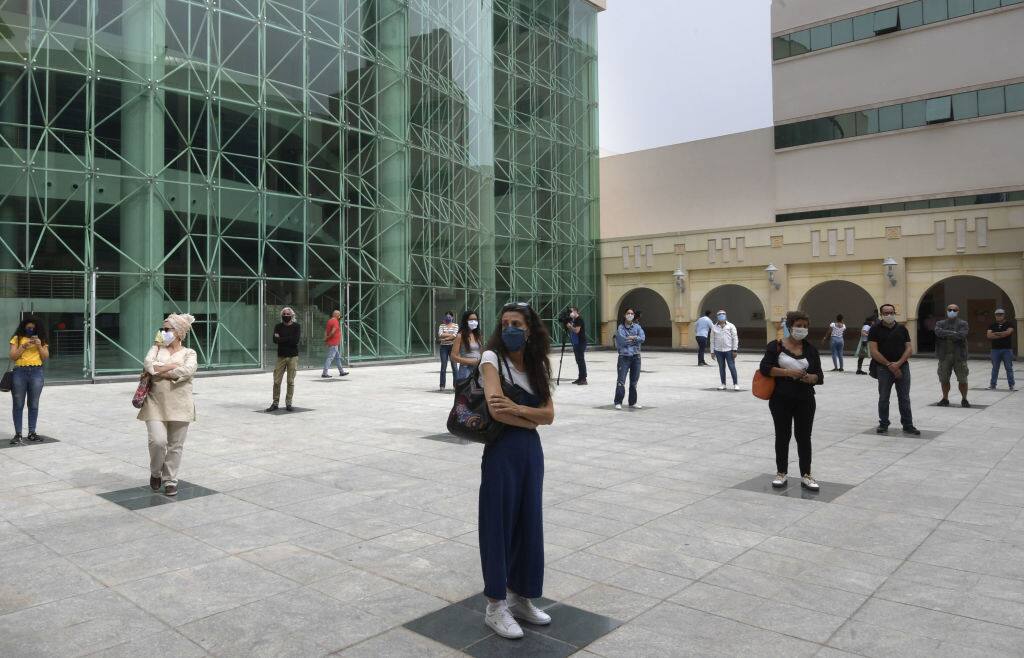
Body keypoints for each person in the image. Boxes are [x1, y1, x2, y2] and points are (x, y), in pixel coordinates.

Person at [478, 301, 555, 640]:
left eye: (517, 323)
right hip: (502, 451)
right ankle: (495, 605)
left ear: (529, 329)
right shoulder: (491, 358)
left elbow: (550, 414)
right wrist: (530, 415)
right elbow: (497, 412)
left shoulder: (537, 363)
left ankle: (520, 596)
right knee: (498, 523)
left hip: (530, 452)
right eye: (505, 321)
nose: (510, 327)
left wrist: (519, 409)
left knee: (528, 521)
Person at [759, 310, 824, 491]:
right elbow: (765, 368)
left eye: (804, 326)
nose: (801, 329)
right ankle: (781, 472)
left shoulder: (811, 349)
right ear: (790, 327)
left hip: (805, 399)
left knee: (804, 437)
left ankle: (806, 474)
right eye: (798, 325)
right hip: (780, 399)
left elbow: (820, 375)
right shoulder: (776, 346)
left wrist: (812, 378)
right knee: (782, 435)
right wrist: (788, 372)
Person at [139, 314, 198, 496]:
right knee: (157, 441)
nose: (163, 333)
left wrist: (161, 370)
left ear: (179, 333)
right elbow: (149, 365)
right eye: (162, 329)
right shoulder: (156, 349)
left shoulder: (190, 353)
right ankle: (156, 473)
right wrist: (170, 367)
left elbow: (187, 370)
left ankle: (170, 480)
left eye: (167, 330)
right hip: (155, 402)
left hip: (181, 403)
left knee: (175, 445)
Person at [869, 304, 920, 435]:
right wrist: (889, 365)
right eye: (885, 313)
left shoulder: (902, 328)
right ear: (881, 315)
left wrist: (898, 364)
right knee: (884, 397)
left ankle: (908, 424)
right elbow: (873, 351)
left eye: (891, 312)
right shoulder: (875, 329)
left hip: (902, 367)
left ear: (894, 313)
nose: (889, 315)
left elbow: (909, 348)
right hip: (883, 369)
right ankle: (883, 424)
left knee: (904, 397)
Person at [8, 317, 49, 446]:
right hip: (20, 372)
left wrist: (39, 345)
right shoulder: (17, 338)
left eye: (33, 328)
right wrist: (23, 346)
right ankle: (18, 434)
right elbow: (13, 356)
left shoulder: (41, 339)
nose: (30, 330)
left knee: (34, 404)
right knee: (18, 403)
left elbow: (45, 357)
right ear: (24, 326)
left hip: (37, 372)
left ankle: (32, 433)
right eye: (28, 327)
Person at [934, 303, 970, 407]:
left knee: (963, 379)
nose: (952, 312)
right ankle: (945, 398)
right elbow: (938, 332)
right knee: (944, 379)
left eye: (954, 310)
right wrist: (954, 333)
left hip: (959, 356)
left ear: (958, 311)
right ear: (947, 311)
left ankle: (964, 399)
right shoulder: (940, 323)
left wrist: (946, 334)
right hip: (944, 356)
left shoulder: (963, 323)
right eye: (950, 309)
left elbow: (962, 335)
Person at [268, 307, 300, 411]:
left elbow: (295, 341)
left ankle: (289, 403)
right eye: (284, 314)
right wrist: (288, 338)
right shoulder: (278, 326)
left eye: (288, 314)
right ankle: (275, 402)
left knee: (290, 381)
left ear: (292, 315)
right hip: (281, 356)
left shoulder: (296, 326)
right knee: (277, 381)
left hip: (292, 357)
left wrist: (281, 339)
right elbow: (274, 339)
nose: (286, 316)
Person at [613, 308, 646, 410]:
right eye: (628, 313)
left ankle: (633, 402)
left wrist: (633, 338)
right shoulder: (621, 328)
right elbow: (622, 341)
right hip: (624, 357)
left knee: (634, 382)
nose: (630, 315)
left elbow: (643, 338)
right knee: (621, 380)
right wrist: (635, 338)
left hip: (636, 357)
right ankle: (618, 402)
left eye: (632, 313)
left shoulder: (637, 327)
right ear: (624, 315)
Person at [710, 309, 739, 390]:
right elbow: (712, 340)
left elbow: (735, 338)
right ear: (717, 316)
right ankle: (723, 384)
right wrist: (712, 352)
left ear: (726, 316)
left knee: (732, 367)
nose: (721, 315)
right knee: (721, 367)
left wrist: (735, 350)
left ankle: (735, 384)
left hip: (729, 350)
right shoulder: (714, 327)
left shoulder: (731, 326)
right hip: (718, 351)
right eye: (720, 314)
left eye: (723, 314)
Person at [987, 308, 1015, 391]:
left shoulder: (1010, 324)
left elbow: (1008, 333)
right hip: (995, 350)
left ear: (1004, 315)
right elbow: (989, 336)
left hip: (1007, 350)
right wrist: (1002, 334)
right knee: (995, 368)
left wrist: (996, 333)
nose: (999, 316)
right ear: (995, 316)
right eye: (997, 315)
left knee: (1009, 368)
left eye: (1000, 314)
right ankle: (993, 385)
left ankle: (1011, 385)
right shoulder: (992, 325)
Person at [451, 310, 482, 382]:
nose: (474, 322)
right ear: (465, 321)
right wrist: (471, 362)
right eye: (471, 320)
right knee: (466, 391)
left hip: (478, 369)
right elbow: (453, 357)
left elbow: (481, 351)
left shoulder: (478, 335)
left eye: (475, 319)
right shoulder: (460, 336)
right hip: (466, 370)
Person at [321, 310, 348, 378]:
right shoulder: (335, 321)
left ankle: (341, 371)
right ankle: (324, 373)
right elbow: (333, 332)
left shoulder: (330, 321)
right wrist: (327, 338)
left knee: (337, 358)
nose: (340, 316)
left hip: (333, 343)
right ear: (335, 315)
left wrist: (326, 339)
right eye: (339, 315)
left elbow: (326, 331)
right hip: (334, 343)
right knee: (330, 358)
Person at [565, 306, 587, 385]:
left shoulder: (579, 319)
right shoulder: (574, 320)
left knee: (581, 360)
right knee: (578, 360)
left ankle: (584, 378)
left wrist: (570, 326)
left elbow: (577, 330)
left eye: (571, 311)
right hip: (575, 342)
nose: (570, 313)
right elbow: (572, 330)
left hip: (580, 342)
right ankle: (580, 377)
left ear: (575, 311)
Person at [437, 311, 459, 390]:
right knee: (443, 366)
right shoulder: (442, 325)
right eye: (447, 316)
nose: (448, 318)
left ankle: (456, 385)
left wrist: (445, 337)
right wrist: (451, 335)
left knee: (454, 367)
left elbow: (455, 335)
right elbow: (440, 334)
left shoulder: (456, 325)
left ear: (452, 318)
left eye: (450, 317)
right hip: (443, 348)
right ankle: (442, 385)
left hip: (453, 347)